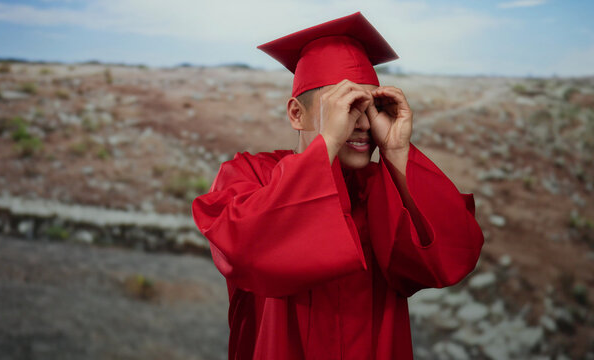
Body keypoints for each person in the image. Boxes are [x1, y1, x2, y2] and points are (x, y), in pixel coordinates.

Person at [191, 12, 484, 360]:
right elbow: (245, 248)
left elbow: (451, 257)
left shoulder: (383, 186)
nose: (361, 124)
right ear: (297, 114)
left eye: (372, 107)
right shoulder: (250, 176)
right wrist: (328, 141)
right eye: (345, 107)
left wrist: (397, 151)